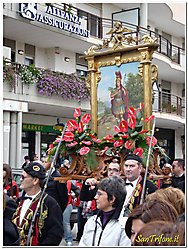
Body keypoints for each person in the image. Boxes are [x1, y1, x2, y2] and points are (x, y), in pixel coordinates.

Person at [12, 161, 64, 246]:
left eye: (23, 177)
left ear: (35, 180)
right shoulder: (19, 201)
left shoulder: (50, 204)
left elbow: (55, 235)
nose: (20, 179)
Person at [76, 158, 122, 242]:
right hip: (100, 218)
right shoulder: (101, 185)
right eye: (110, 169)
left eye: (115, 170)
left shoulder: (123, 188)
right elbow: (84, 197)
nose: (111, 172)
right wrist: (86, 183)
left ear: (120, 172)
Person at [79, 176, 131, 246]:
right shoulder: (92, 221)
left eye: (99, 194)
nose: (95, 197)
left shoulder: (124, 225)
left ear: (112, 199)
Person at [120, 154, 157, 219]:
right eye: (126, 166)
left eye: (131, 166)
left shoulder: (149, 187)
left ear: (139, 168)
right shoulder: (118, 184)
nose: (128, 169)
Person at [63, 180, 80, 246]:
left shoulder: (69, 183)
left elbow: (77, 190)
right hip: (57, 204)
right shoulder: (56, 181)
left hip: (67, 204)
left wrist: (74, 194)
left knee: (66, 223)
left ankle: (69, 240)